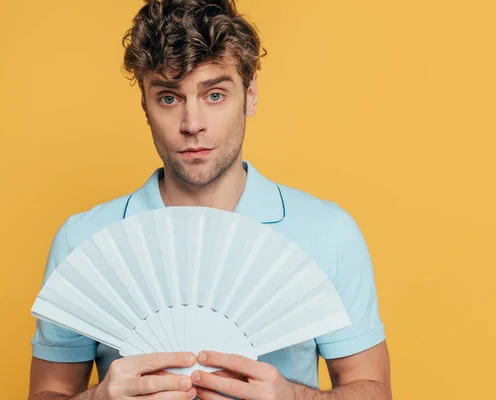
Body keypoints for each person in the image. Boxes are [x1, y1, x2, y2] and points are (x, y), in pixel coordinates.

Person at [28, 1, 391, 399]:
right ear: (145, 107)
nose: (192, 124)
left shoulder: (328, 232)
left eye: (214, 95)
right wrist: (98, 399)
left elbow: (372, 388)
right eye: (169, 98)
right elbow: (48, 393)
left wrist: (294, 397)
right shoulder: (84, 241)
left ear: (250, 96)